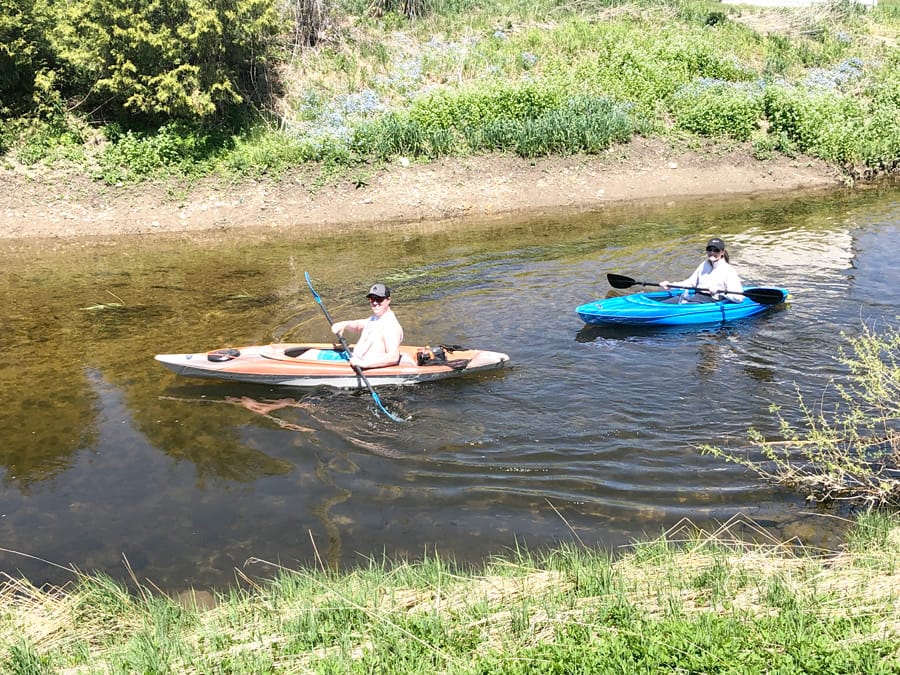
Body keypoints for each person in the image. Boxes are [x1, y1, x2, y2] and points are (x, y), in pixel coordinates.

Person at [330, 283, 404, 369]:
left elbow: (393, 357)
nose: (375, 303)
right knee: (311, 353)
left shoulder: (391, 326)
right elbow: (358, 326)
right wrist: (344, 324)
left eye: (379, 299)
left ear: (388, 300)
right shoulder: (376, 318)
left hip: (364, 365)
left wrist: (364, 364)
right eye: (372, 299)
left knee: (311, 356)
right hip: (354, 358)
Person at [660, 237, 744, 303]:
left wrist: (720, 292)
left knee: (687, 305)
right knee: (665, 303)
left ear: (722, 252)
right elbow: (690, 283)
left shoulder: (729, 270)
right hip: (697, 297)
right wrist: (671, 285)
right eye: (709, 249)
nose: (712, 253)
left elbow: (739, 298)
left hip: (711, 301)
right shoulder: (704, 264)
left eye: (716, 250)